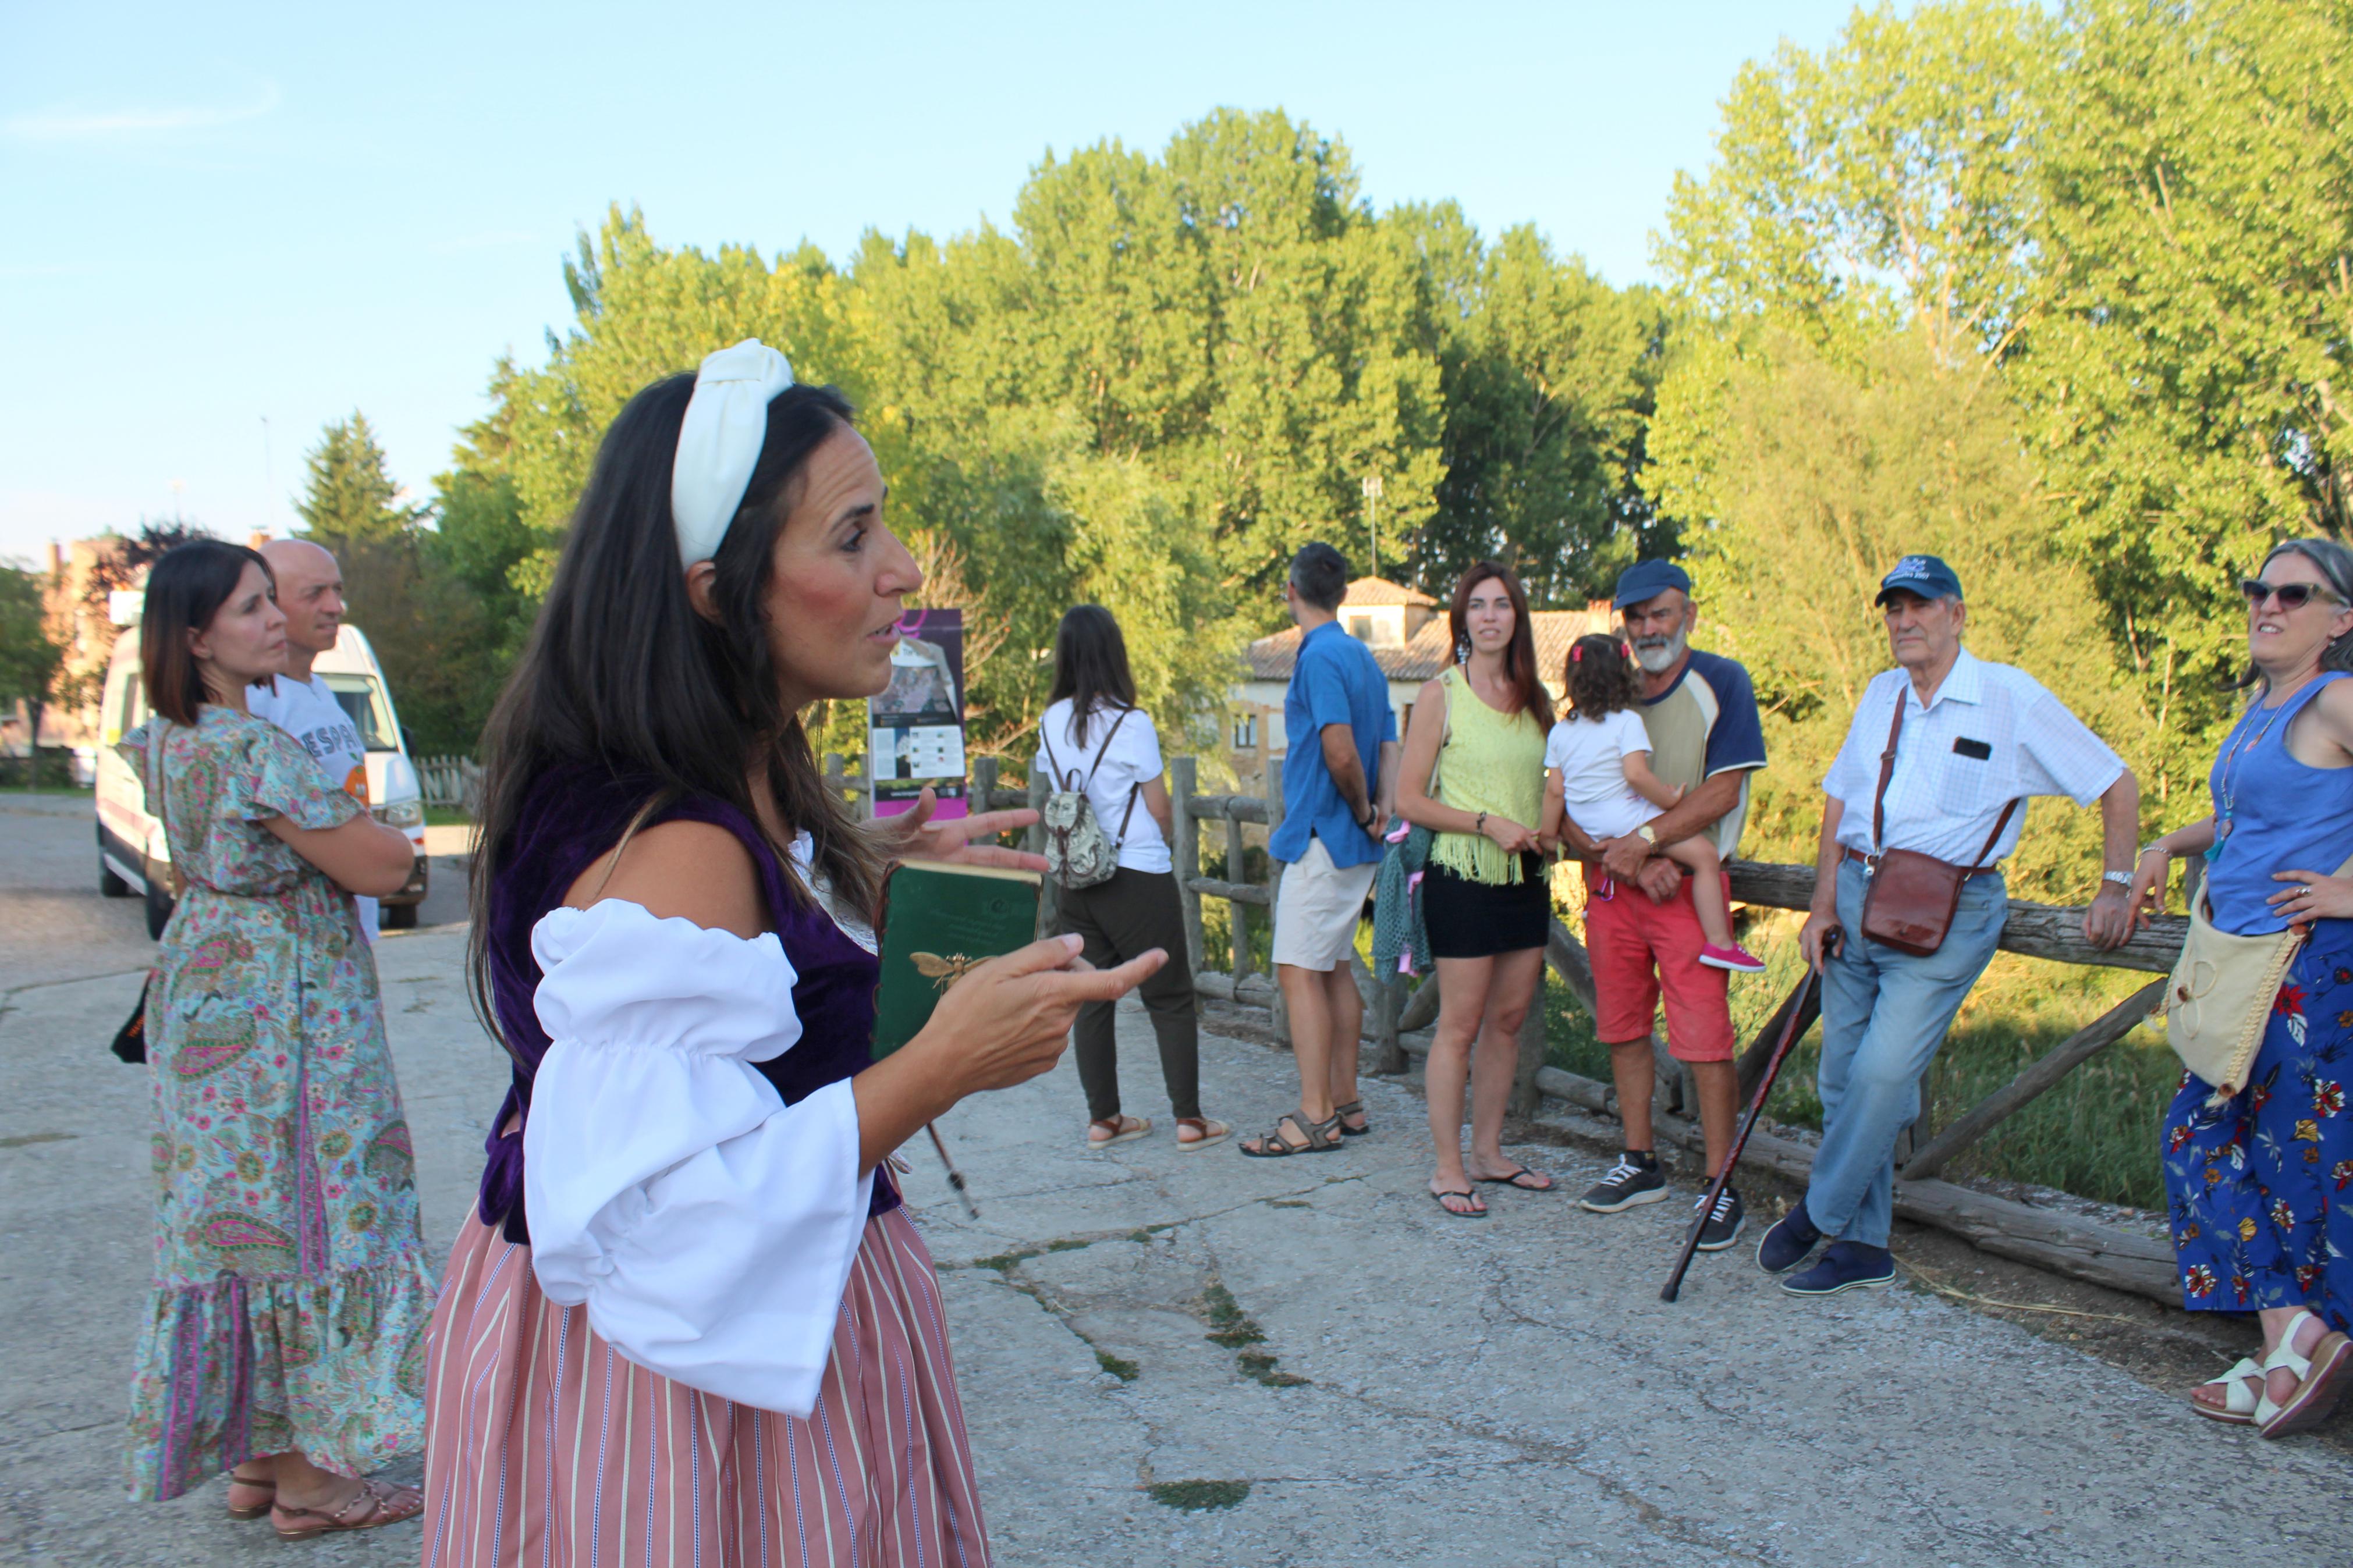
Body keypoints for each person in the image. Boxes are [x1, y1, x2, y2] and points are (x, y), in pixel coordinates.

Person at [421, 340, 1163, 1566]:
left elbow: (731, 987)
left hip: (705, 1335)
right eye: (851, 535)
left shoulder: (721, 769)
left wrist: (863, 863)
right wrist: (944, 1061)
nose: (902, 571)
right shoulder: (676, 844)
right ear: (717, 591)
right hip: (682, 1388)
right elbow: (665, 1225)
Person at [118, 540, 430, 1536]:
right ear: (198, 635)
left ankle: (259, 1463)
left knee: (238, 1226)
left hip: (212, 990)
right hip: (285, 1017)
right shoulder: (255, 749)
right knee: (319, 1218)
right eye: (253, 610)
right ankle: (316, 1484)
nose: (278, 623)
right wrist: (394, 849)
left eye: (271, 605)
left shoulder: (169, 737)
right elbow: (386, 866)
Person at [1762, 553, 2141, 1296]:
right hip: (1860, 898)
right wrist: (1819, 902)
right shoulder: (1880, 693)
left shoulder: (2008, 697)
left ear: (1956, 614)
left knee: (1881, 1071)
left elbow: (2114, 782)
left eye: (1920, 606)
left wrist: (2114, 885)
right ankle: (1863, 1248)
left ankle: (1819, 1211)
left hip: (1949, 907)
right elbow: (1839, 800)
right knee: (1842, 1079)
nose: (1903, 621)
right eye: (1892, 609)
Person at [2130, 538, 2353, 1437]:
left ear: (2337, 620)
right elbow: (2241, 814)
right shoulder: (2264, 706)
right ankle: (2288, 1345)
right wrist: (2163, 846)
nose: (2267, 603)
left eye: (2292, 593)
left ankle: (2295, 1344)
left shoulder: (2335, 696)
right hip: (2244, 959)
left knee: (2272, 1152)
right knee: (2230, 1141)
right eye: (2257, 588)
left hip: (2305, 968)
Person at [1564, 559, 1769, 1251]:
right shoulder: (1600, 696)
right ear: (1621, 625)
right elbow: (1567, 799)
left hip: (1686, 891)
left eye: (1662, 613)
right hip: (1613, 885)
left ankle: (1719, 1182)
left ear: (1689, 615)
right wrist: (1624, 856)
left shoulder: (1722, 682)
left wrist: (1648, 845)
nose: (1649, 627)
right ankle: (1639, 1158)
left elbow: (1722, 792)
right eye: (1636, 616)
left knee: (1705, 1038)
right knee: (1620, 1026)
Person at [1397, 561, 1559, 1215]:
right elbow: (1407, 798)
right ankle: (1447, 1166)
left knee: (1508, 1022)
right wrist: (1484, 823)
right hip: (1462, 877)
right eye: (1477, 605)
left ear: (1517, 618)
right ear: (1462, 619)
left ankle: (1490, 1154)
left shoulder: (1536, 699)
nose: (1490, 616)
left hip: (1526, 879)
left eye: (1502, 605)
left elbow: (1553, 783)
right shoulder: (1441, 692)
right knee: (1458, 1026)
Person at [1040, 603, 1228, 1152]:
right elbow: (1159, 806)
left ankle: (1104, 1119)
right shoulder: (1131, 722)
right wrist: (1159, 846)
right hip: (1135, 870)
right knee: (1168, 996)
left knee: (1091, 995)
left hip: (1075, 876)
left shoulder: (1050, 721)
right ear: (1113, 654)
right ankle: (1189, 1120)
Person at [1240, 542, 1399, 1157]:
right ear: (1342, 595)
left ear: (1290, 592)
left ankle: (1314, 1116)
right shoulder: (1364, 656)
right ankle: (1346, 1102)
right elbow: (1387, 740)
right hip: (1353, 840)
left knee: (1297, 970)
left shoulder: (1319, 657)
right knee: (1331, 967)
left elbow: (1338, 749)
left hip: (1323, 836)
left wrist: (1361, 810)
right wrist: (1381, 810)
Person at [1541, 633, 1764, 973]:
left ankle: (1593, 906)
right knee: (1705, 856)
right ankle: (1721, 943)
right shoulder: (1627, 722)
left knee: (1596, 855)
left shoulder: (1561, 732)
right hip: (1624, 819)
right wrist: (1671, 798)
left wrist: (1547, 834)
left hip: (1585, 821)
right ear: (1623, 678)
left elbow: (1555, 791)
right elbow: (1637, 777)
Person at [245, 538, 380, 939]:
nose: (335, 606)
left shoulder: (320, 690)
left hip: (347, 925)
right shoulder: (257, 702)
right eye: (314, 593)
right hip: (296, 937)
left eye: (337, 590)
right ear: (268, 603)